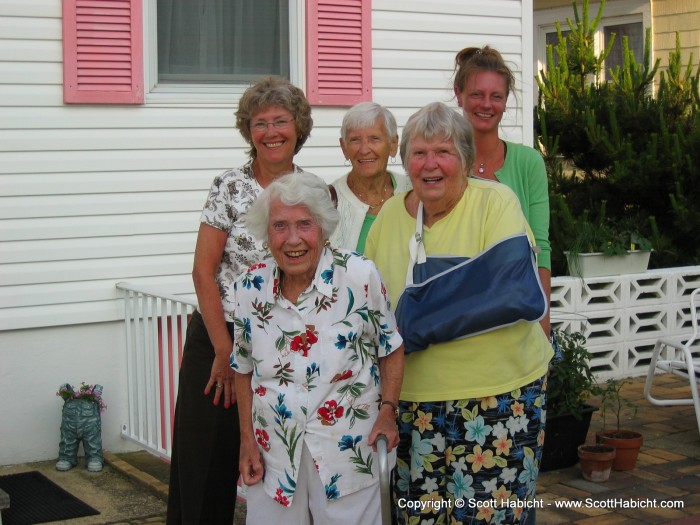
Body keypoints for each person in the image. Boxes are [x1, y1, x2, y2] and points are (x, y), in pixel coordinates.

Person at [365, 102, 553, 525]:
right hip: (413, 405)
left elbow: (513, 293)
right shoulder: (390, 217)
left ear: (466, 160)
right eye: (419, 153)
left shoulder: (495, 202)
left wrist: (412, 320)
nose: (430, 164)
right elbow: (370, 309)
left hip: (500, 398)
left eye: (444, 152)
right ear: (405, 160)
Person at [166, 76, 313, 525]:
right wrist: (224, 352)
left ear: (299, 127)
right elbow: (203, 271)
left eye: (281, 121)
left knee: (275, 461)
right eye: (260, 123)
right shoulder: (229, 186)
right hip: (220, 337)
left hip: (284, 341)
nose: (271, 132)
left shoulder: (313, 190)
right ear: (248, 130)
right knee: (204, 466)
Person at [230, 172, 405, 525]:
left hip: (349, 449)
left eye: (304, 224)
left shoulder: (359, 276)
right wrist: (246, 440)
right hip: (274, 455)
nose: (293, 239)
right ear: (267, 233)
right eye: (280, 226)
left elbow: (391, 348)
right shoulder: (249, 288)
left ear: (323, 228)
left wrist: (388, 410)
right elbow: (243, 368)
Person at [453, 45, 552, 336]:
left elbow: (540, 248)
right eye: (477, 94)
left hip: (518, 316)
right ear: (459, 95)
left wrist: (543, 319)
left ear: (506, 101)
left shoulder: (528, 163)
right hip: (458, 317)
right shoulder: (444, 165)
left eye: (496, 96)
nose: (487, 104)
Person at [330, 102, 412, 253]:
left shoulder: (414, 191)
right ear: (344, 147)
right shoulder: (327, 201)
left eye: (374, 139)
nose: (364, 149)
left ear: (393, 144)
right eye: (355, 140)